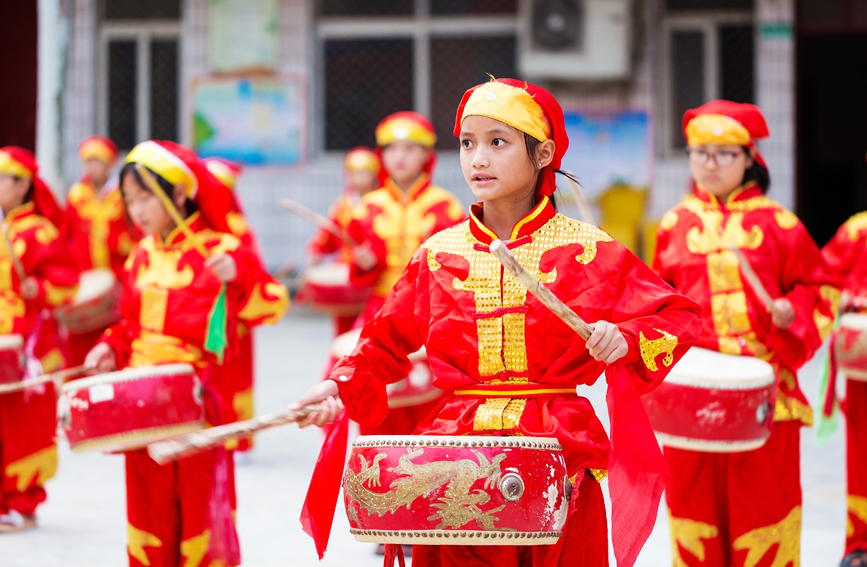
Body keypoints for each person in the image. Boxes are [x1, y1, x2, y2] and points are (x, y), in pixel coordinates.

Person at [292, 78, 703, 567]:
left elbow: (678, 315)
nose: (477, 159)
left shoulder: (588, 250)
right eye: (468, 143)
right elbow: (383, 343)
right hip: (456, 463)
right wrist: (338, 387)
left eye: (497, 142)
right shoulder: (440, 254)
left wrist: (627, 339)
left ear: (543, 153)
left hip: (558, 454)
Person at [653, 100, 842, 567]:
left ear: (749, 159)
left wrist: (790, 311)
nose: (709, 165)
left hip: (765, 397)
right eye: (700, 152)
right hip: (692, 400)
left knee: (764, 514)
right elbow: (658, 304)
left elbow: (822, 289)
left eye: (723, 154)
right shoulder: (674, 225)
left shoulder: (781, 225)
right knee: (695, 513)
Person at [85, 141, 289, 567]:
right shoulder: (140, 256)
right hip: (139, 405)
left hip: (195, 403)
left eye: (146, 197)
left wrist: (237, 278)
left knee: (200, 510)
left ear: (179, 193)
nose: (136, 210)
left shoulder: (220, 251)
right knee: (148, 507)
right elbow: (129, 326)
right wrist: (108, 346)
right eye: (129, 200)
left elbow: (273, 303)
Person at [346, 112, 464, 438]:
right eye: (392, 148)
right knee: (377, 392)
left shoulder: (446, 207)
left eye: (410, 148)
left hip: (431, 315)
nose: (400, 156)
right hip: (380, 311)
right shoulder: (366, 208)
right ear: (381, 154)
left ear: (427, 155)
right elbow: (356, 278)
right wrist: (365, 264)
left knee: (431, 401)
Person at [0, 146, 78, 532]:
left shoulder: (39, 231)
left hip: (28, 341)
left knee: (23, 423)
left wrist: (40, 288)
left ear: (23, 185)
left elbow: (69, 283)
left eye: (3, 179)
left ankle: (21, 499)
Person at [65, 135, 140, 366]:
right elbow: (65, 234)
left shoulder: (123, 196)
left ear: (110, 164)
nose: (92, 167)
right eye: (88, 162)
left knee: (115, 333)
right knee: (79, 341)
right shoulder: (76, 195)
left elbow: (135, 232)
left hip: (116, 276)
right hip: (84, 277)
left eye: (98, 162)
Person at [204, 157, 261, 454]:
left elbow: (254, 269)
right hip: (204, 314)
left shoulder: (237, 227)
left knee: (235, 375)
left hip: (234, 317)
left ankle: (238, 439)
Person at [822, 205, 867, 567]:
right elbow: (820, 282)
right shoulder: (857, 231)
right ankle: (861, 542)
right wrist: (847, 300)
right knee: (862, 453)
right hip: (863, 371)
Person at [307, 147, 381, 336]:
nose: (359, 177)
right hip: (349, 267)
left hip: (377, 270)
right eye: (354, 173)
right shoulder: (343, 205)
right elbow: (328, 234)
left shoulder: (383, 203)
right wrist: (317, 249)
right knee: (344, 328)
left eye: (364, 172)